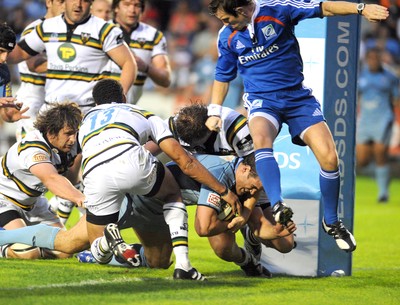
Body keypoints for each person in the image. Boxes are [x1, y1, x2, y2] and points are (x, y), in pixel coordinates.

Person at [205, 0, 389, 253]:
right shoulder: (227, 37)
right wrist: (214, 111)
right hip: (262, 101)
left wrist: (361, 9)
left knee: (330, 158)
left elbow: (324, 7)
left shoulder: (278, 10)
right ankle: (279, 205)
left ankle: (332, 221)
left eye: (226, 19)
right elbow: (222, 76)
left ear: (241, 10)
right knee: (261, 140)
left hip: (297, 99)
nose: (224, 25)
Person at [6, 0, 137, 115]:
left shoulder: (105, 30)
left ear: (91, 2)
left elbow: (129, 63)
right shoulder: (47, 27)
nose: (78, 4)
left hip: (86, 111)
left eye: (84, 1)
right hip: (51, 110)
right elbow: (19, 54)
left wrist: (118, 97)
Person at [0, 103, 85, 259]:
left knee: (65, 250)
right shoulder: (33, 148)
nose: (73, 139)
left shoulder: (70, 145)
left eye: (75, 133)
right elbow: (51, 179)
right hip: (5, 200)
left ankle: (28, 243)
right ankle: (5, 246)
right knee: (28, 252)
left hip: (34, 203)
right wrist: (81, 198)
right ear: (51, 133)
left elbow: (70, 178)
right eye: (68, 133)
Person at [14, 0, 66, 141]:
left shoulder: (66, 30)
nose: (65, 6)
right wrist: (71, 66)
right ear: (49, 2)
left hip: (54, 103)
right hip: (33, 105)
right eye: (61, 2)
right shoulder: (36, 29)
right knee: (33, 155)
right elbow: (34, 64)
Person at [356, 47, 399, 203]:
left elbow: (396, 98)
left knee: (380, 152)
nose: (374, 61)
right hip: (366, 120)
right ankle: (382, 175)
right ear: (367, 60)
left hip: (383, 118)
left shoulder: (390, 77)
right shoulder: (360, 76)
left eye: (377, 58)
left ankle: (383, 193)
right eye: (371, 58)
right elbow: (356, 96)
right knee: (362, 161)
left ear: (380, 59)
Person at [108, 0, 171, 104]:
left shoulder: (153, 36)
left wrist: (145, 67)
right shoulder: (102, 31)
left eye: (137, 5)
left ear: (142, 9)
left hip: (130, 108)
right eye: (127, 5)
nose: (132, 10)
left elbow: (166, 80)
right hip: (97, 105)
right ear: (116, 7)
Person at [0, 23, 30, 123]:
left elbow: (4, 111)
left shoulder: (3, 73)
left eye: (8, 53)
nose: (4, 58)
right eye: (1, 51)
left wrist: (9, 115)